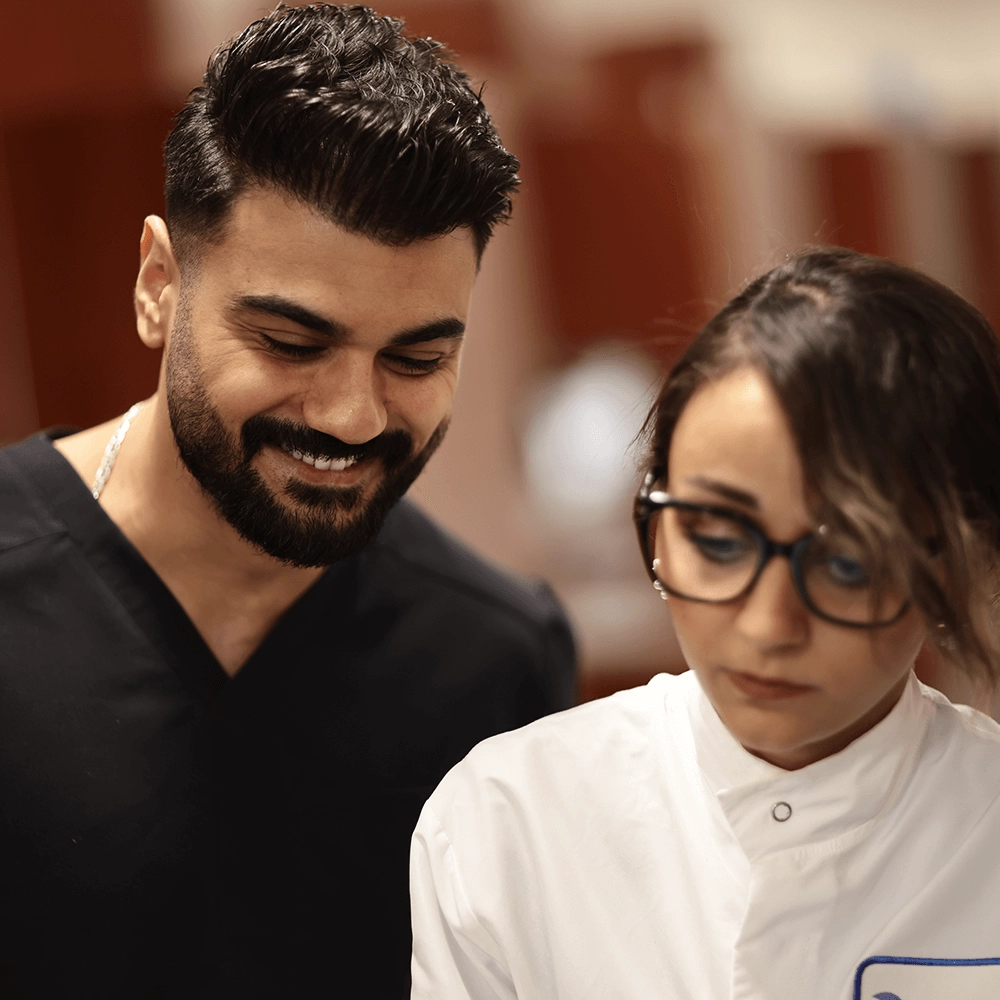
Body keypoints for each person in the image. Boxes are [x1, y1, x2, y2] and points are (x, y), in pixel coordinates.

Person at [0, 5, 575, 997]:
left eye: (416, 356)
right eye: (291, 343)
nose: (352, 416)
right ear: (157, 286)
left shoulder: (497, 663)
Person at [410, 247, 1000, 999]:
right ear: (656, 526)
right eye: (718, 541)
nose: (767, 624)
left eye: (847, 564)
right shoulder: (508, 823)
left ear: (956, 564)